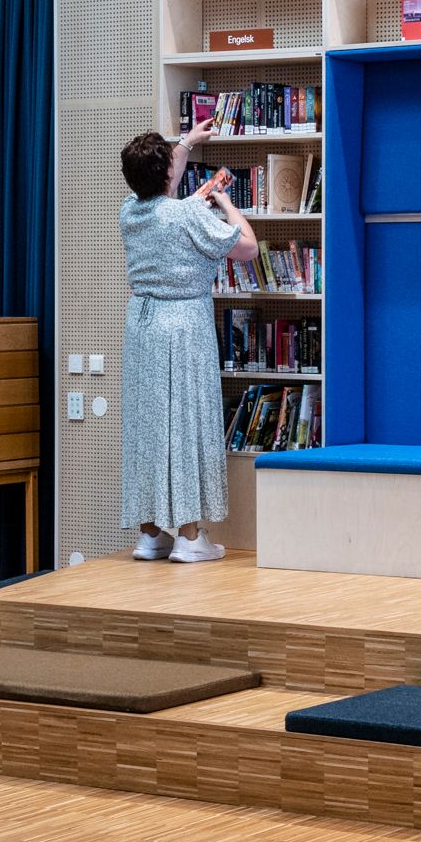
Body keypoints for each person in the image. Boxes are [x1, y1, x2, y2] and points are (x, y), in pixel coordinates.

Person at [119, 125, 257, 562]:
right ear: (166, 175)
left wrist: (186, 143)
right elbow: (248, 248)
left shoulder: (130, 211)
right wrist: (225, 203)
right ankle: (190, 537)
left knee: (147, 427)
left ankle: (150, 535)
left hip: (142, 328)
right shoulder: (187, 216)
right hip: (184, 329)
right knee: (187, 423)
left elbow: (164, 193)